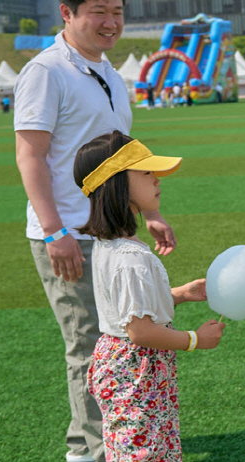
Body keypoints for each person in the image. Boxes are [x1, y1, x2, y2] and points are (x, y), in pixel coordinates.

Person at [13, 0, 176, 462]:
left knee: (117, 342)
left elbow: (119, 158)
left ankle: (114, 441)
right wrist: (54, 229)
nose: (110, 22)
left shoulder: (108, 71)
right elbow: (30, 156)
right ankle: (88, 450)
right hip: (66, 235)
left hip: (106, 230)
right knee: (89, 344)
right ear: (68, 13)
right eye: (98, 12)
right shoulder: (46, 71)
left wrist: (144, 211)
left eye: (117, 13)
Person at [74, 131, 226, 461]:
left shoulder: (111, 246)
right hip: (136, 370)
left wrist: (179, 295)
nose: (157, 179)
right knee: (144, 449)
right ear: (116, 184)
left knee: (140, 443)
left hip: (124, 365)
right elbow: (140, 330)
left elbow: (127, 310)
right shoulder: (131, 258)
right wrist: (194, 339)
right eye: (146, 172)